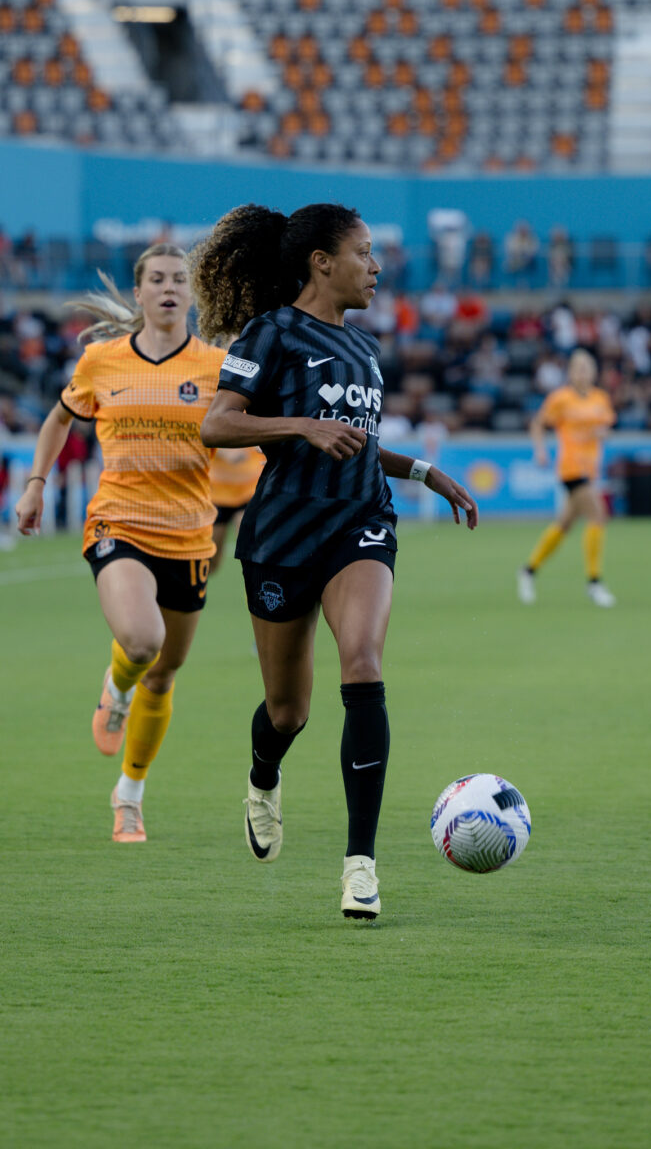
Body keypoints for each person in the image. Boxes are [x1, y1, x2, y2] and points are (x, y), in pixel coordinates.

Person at [190, 202, 478, 921]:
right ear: (321, 261)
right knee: (288, 713)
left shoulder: (365, 351)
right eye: (364, 251)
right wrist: (302, 425)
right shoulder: (272, 332)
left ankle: (360, 866)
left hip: (361, 523)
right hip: (284, 534)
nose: (376, 267)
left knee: (365, 666)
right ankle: (263, 777)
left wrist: (422, 472)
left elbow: (356, 442)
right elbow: (217, 423)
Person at [15, 244, 225, 843]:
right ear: (138, 293)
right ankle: (114, 687)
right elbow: (60, 418)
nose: (167, 288)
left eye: (178, 280)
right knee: (142, 641)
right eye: (156, 279)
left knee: (165, 674)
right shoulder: (101, 362)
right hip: (119, 522)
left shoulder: (216, 366)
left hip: (189, 536)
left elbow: (245, 428)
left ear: (191, 294)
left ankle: (129, 795)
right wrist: (36, 484)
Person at [518, 348, 616, 607]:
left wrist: (602, 433)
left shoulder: (600, 399)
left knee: (564, 524)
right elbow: (538, 423)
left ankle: (528, 571)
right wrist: (540, 450)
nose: (583, 372)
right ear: (570, 372)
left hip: (590, 469)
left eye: (588, 367)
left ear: (594, 372)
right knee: (598, 515)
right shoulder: (561, 399)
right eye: (578, 368)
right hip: (571, 468)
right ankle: (594, 582)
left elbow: (606, 428)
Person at [209, 446, 265, 573]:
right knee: (211, 562)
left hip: (249, 492)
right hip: (217, 495)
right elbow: (204, 434)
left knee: (252, 554)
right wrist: (225, 450)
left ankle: (254, 591)